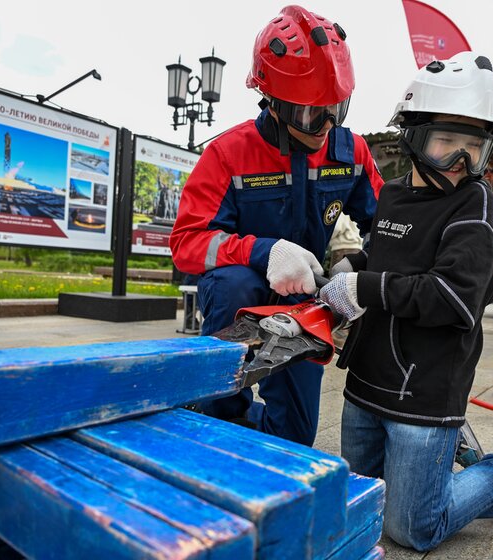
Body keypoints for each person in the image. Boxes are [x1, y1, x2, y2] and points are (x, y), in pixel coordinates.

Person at [319, 52, 493, 552]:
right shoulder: (393, 197)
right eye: (446, 141)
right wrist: (353, 267)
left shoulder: (476, 206)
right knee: (364, 504)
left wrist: (365, 288)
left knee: (412, 529)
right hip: (366, 381)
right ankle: (441, 463)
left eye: (474, 147)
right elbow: (391, 259)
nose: (460, 161)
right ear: (413, 137)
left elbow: (454, 297)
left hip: (424, 394)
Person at [169, 5, 383, 446]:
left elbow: (386, 223)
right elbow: (187, 244)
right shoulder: (228, 154)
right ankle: (218, 413)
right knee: (232, 287)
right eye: (310, 114)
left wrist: (357, 268)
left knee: (296, 437)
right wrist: (263, 252)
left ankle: (252, 434)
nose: (325, 127)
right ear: (273, 102)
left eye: (335, 109)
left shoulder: (352, 152)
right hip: (241, 296)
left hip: (304, 299)